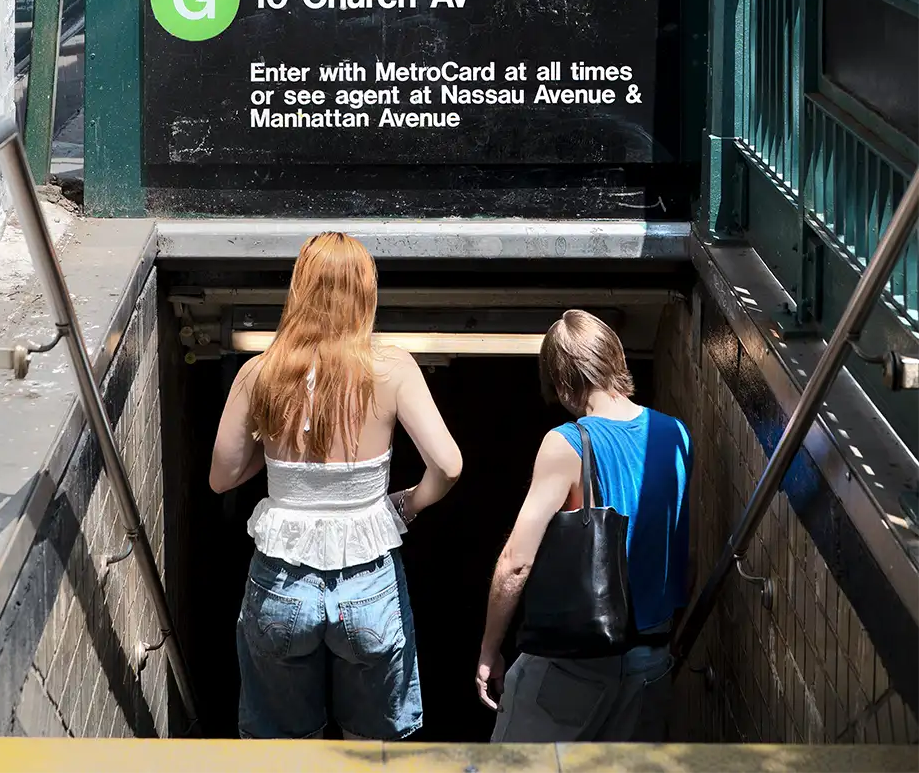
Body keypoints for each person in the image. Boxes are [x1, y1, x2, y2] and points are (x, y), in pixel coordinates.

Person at [210, 231, 462, 740]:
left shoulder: (260, 372)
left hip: (280, 582)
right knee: (372, 752)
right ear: (366, 292)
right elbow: (449, 465)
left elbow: (222, 478)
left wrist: (276, 454)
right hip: (368, 583)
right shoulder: (392, 368)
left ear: (299, 289)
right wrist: (408, 505)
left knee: (282, 750)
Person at [476, 310, 691, 742]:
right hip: (651, 665)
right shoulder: (676, 435)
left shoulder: (567, 443)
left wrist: (489, 650)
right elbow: (683, 553)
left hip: (576, 665)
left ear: (562, 382)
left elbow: (516, 562)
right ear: (615, 359)